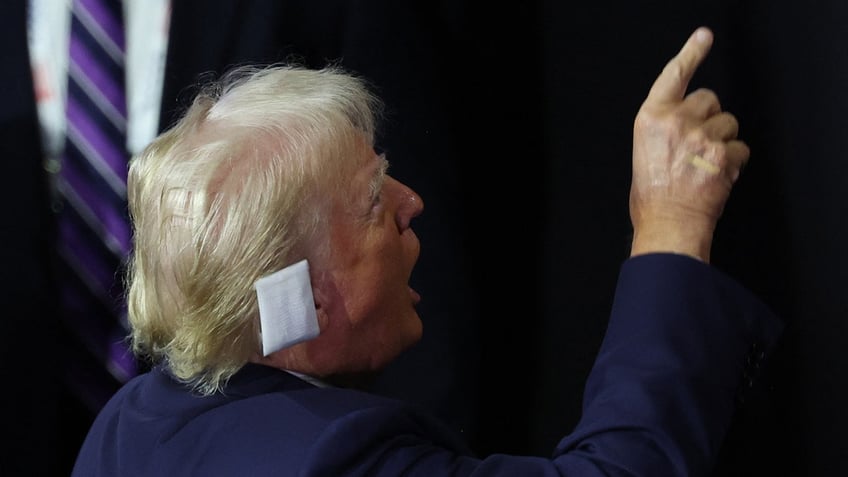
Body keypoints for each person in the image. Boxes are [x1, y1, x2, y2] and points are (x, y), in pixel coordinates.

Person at [71, 26, 782, 476]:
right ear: (305, 296)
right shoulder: (331, 455)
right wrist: (673, 223)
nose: (413, 204)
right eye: (375, 199)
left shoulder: (126, 425)